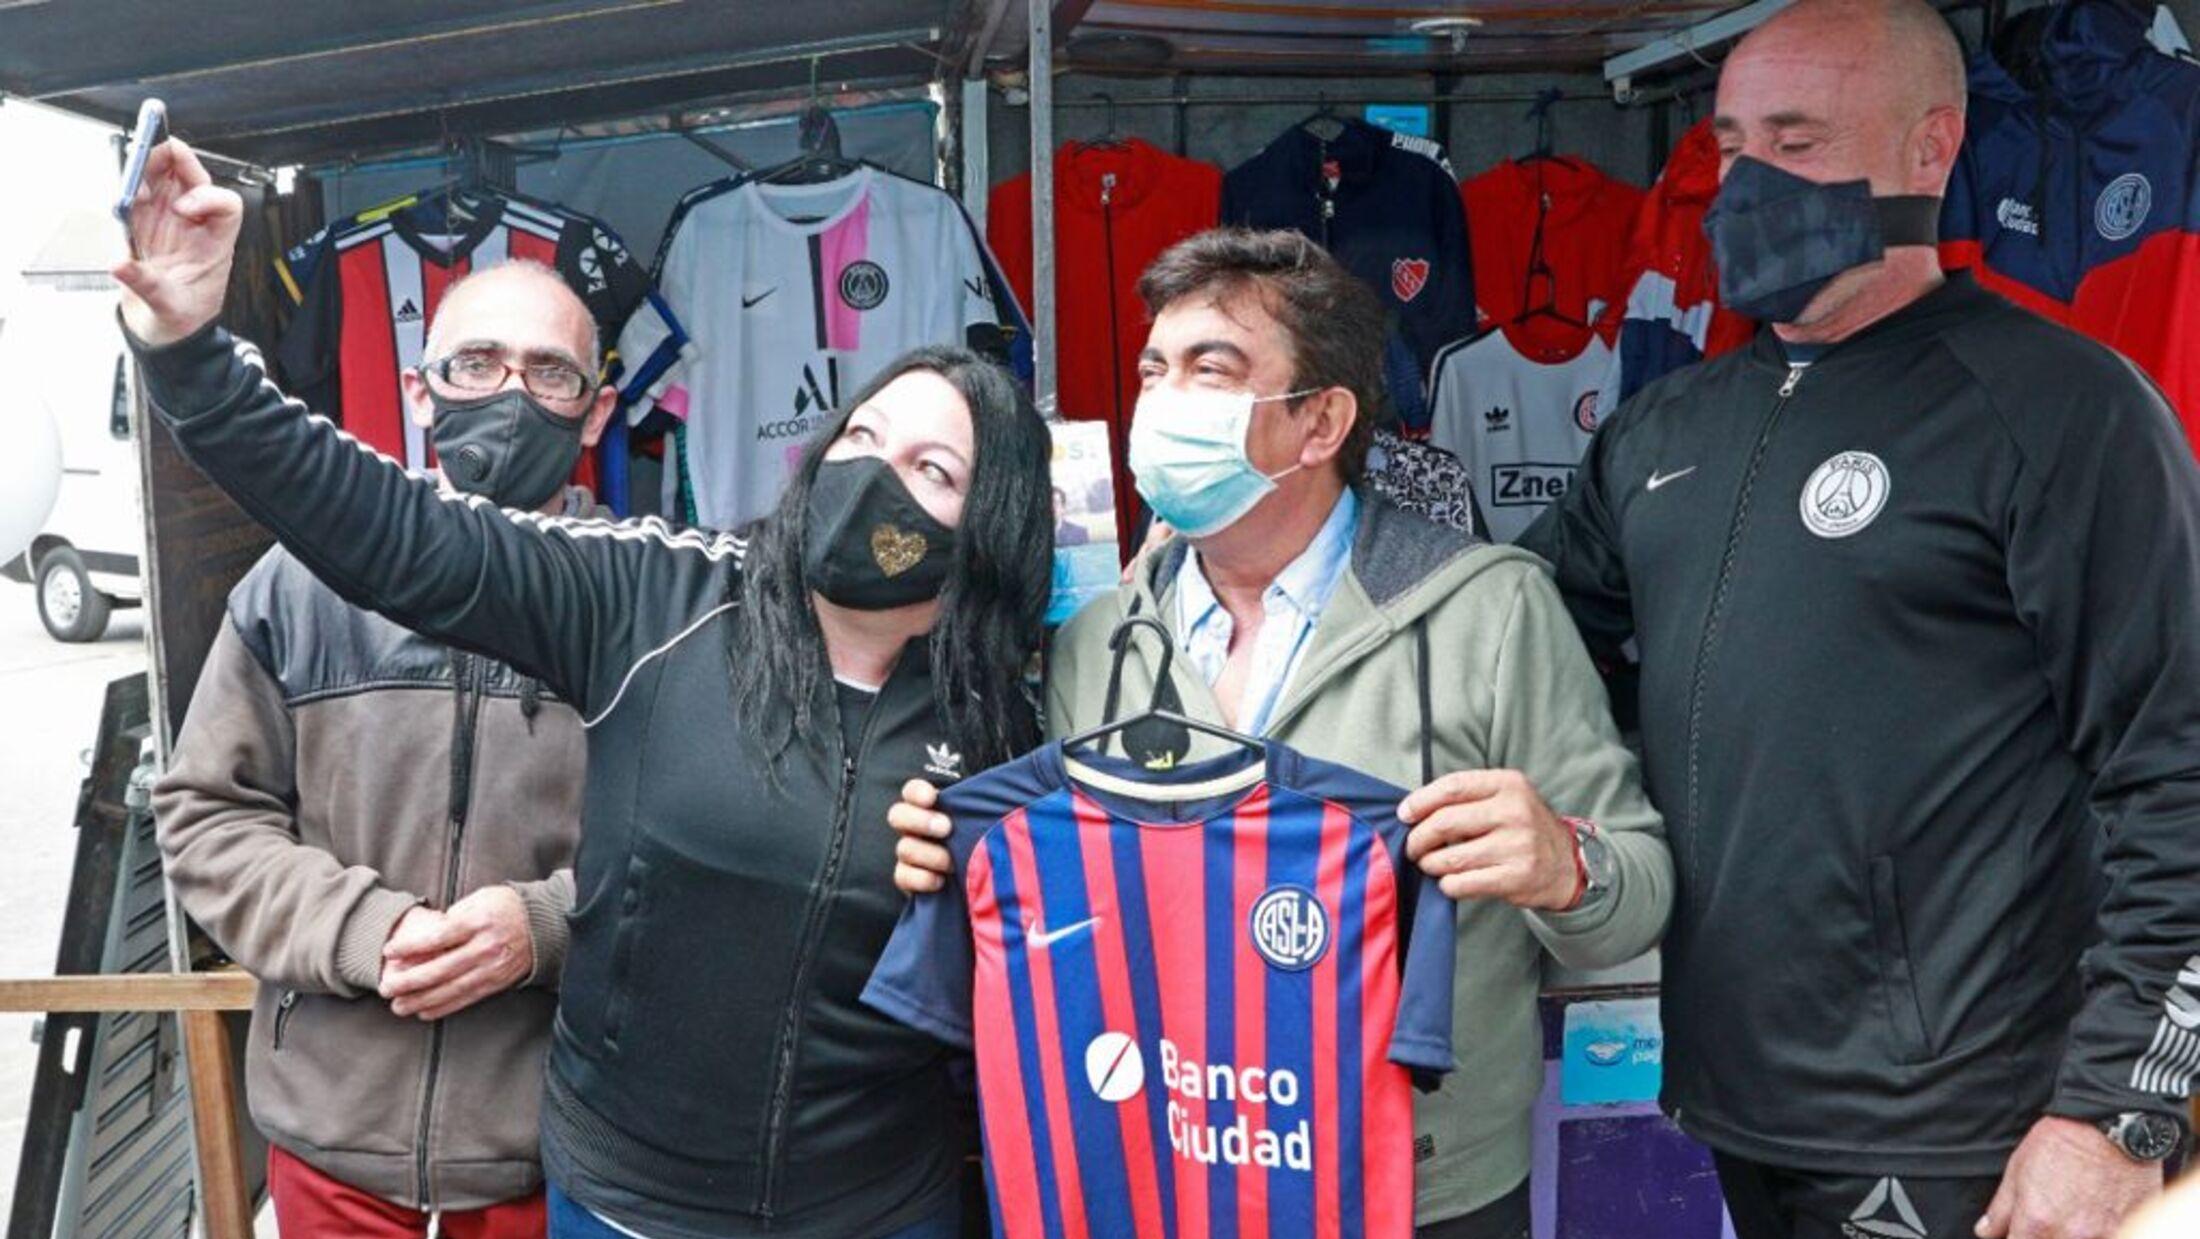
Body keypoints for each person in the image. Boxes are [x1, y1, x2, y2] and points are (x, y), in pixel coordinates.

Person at [115, 139, 1055, 1239]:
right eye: (860, 436)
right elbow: (387, 536)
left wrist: (967, 874)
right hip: (624, 1201)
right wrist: (189, 355)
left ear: (987, 533)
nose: (871, 478)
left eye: (930, 471)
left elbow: (1035, 982)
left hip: (880, 1205)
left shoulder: (999, 719)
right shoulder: (657, 600)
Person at [1514, 2, 2200, 1236]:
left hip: (1967, 1124)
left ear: (1931, 151)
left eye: (1797, 140)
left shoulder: (2061, 411)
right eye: (1730, 146)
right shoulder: (1667, 428)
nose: (1748, 183)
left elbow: (2179, 771)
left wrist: (2114, 1116)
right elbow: (1525, 648)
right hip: (1735, 1092)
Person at [892, 227, 1675, 1239]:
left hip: (1421, 1190)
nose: (1162, 403)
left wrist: (1564, 866)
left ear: (1320, 422)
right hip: (1163, 1164)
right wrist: (951, 858)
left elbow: (1635, 892)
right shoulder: (1100, 643)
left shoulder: (1491, 614)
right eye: (1152, 370)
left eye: (1209, 372)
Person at [154, 260, 617, 1237]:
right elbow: (206, 815)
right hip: (333, 1158)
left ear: (597, 410)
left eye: (549, 372)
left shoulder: (647, 607)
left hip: (561, 1160)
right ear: (420, 388)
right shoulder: (300, 587)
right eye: (478, 363)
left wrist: (544, 927)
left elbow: (700, 853)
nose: (510, 394)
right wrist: (366, 930)